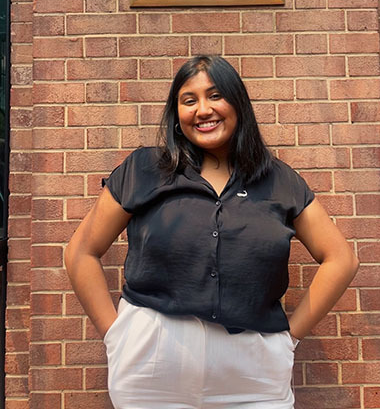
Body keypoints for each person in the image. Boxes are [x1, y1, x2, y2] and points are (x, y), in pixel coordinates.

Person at [65, 55, 359, 409]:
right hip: (151, 366)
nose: (203, 110)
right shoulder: (145, 169)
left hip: (253, 374)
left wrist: (288, 339)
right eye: (189, 100)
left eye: (215, 95)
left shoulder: (279, 181)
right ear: (176, 113)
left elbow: (341, 259)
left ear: (238, 103)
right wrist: (116, 336)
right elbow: (81, 251)